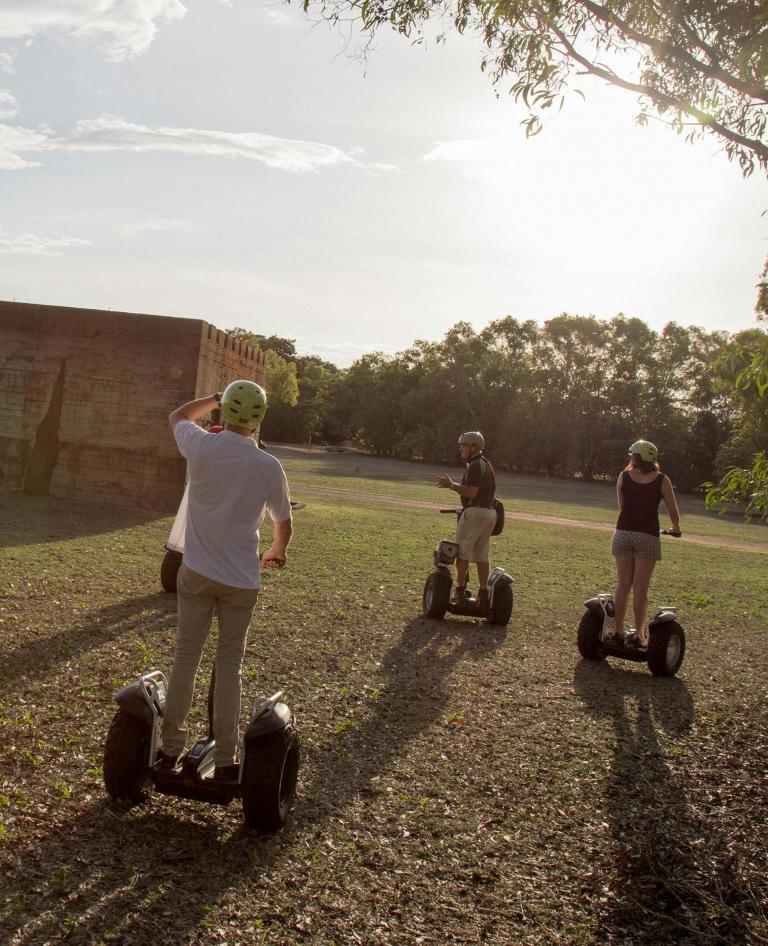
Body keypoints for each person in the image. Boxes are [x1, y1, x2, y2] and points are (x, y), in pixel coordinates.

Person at [159, 380, 293, 782]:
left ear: (225, 412)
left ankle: (168, 750)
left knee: (186, 658)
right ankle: (226, 758)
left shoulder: (199, 445)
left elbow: (177, 415)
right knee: (229, 664)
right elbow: (283, 524)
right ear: (259, 419)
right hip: (241, 580)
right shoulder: (268, 466)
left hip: (197, 571)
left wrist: (214, 400)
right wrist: (276, 551)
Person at [607, 439, 681, 645]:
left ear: (635, 457)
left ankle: (618, 631)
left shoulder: (623, 476)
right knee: (640, 588)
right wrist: (675, 528)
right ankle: (640, 635)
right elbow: (673, 511)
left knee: (623, 584)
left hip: (622, 533)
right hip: (647, 536)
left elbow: (623, 506)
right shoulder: (662, 480)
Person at [435, 431, 497, 606]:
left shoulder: (476, 465)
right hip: (490, 513)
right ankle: (483, 594)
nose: (461, 448)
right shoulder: (486, 464)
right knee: (481, 554)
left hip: (475, 512)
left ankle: (459, 592)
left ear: (474, 447)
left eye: (464, 445)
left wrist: (451, 485)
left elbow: (472, 491)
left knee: (462, 552)